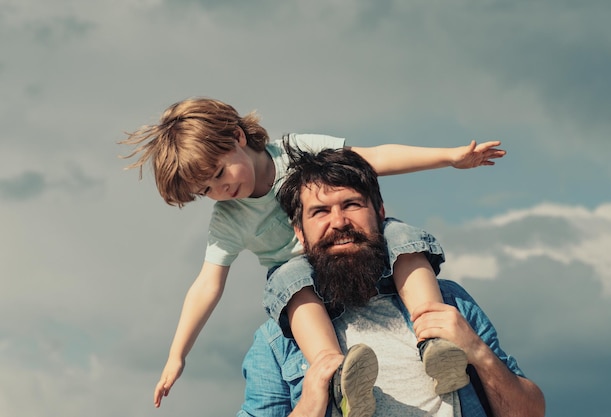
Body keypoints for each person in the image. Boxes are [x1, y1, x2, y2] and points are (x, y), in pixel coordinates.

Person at [119, 97, 506, 410]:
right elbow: (206, 285)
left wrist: (449, 157)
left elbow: (374, 159)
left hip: (356, 257)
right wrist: (177, 355)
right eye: (205, 191)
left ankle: (434, 340)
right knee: (288, 276)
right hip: (306, 289)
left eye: (219, 174)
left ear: (237, 137)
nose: (219, 191)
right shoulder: (229, 219)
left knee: (403, 234)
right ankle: (339, 374)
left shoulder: (295, 150)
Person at [238, 147, 545, 417]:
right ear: (300, 234)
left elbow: (529, 413)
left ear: (380, 213)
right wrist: (309, 406)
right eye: (320, 211)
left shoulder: (449, 302)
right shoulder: (277, 343)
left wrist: (477, 353)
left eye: (352, 205)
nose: (339, 222)